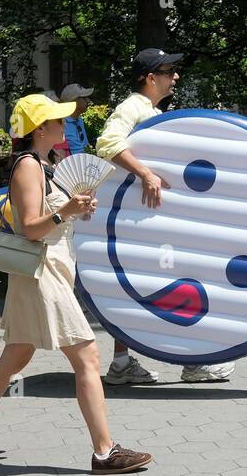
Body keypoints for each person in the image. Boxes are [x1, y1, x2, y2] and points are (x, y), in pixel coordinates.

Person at [0, 93, 152, 474]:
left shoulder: (47, 163)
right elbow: (30, 228)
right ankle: (105, 452)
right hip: (40, 274)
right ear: (41, 128)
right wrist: (66, 212)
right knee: (88, 356)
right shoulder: (29, 166)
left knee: (16, 355)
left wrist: (75, 210)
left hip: (48, 270)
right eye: (59, 120)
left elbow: (51, 220)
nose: (66, 125)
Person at [95, 48, 236, 384]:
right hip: (144, 222)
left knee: (150, 288)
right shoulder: (133, 107)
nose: (176, 76)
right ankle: (191, 361)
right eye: (169, 71)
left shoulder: (151, 110)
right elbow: (106, 143)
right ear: (150, 77)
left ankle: (122, 363)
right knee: (180, 284)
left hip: (153, 221)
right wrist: (145, 174)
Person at [60, 83, 93, 158]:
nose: (88, 100)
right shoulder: (61, 123)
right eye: (84, 98)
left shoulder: (79, 119)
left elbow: (85, 146)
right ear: (73, 101)